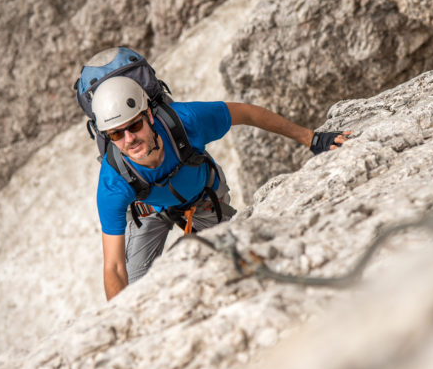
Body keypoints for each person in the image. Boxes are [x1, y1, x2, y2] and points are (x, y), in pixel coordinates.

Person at [92, 75, 350, 300]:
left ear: (149, 115)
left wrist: (312, 139)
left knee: (239, 260)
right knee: (136, 291)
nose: (129, 139)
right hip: (149, 210)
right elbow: (114, 268)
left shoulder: (186, 121)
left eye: (134, 126)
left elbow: (247, 113)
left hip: (202, 198)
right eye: (116, 134)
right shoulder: (113, 183)